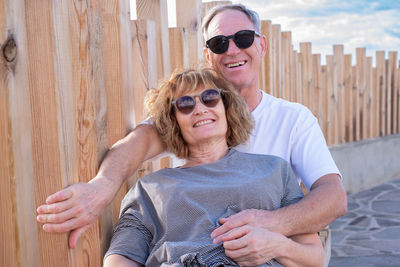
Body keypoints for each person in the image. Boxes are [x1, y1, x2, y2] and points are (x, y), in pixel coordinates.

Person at [37, 4, 347, 265]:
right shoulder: (153, 186)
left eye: (242, 38)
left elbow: (332, 200)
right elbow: (138, 143)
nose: (199, 109)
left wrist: (272, 229)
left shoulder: (287, 135)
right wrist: (101, 188)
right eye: (219, 44)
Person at [103, 67, 324, 267]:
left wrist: (277, 245)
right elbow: (120, 256)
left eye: (209, 98)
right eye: (185, 104)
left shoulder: (275, 171)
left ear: (227, 108)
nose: (199, 109)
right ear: (173, 121)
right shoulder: (151, 189)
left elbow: (314, 257)